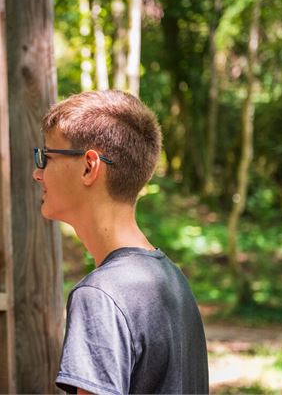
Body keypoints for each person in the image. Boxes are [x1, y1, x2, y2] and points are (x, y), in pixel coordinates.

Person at [32, 90, 208, 394]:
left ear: (89, 167)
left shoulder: (100, 295)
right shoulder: (173, 282)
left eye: (46, 157)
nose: (37, 173)